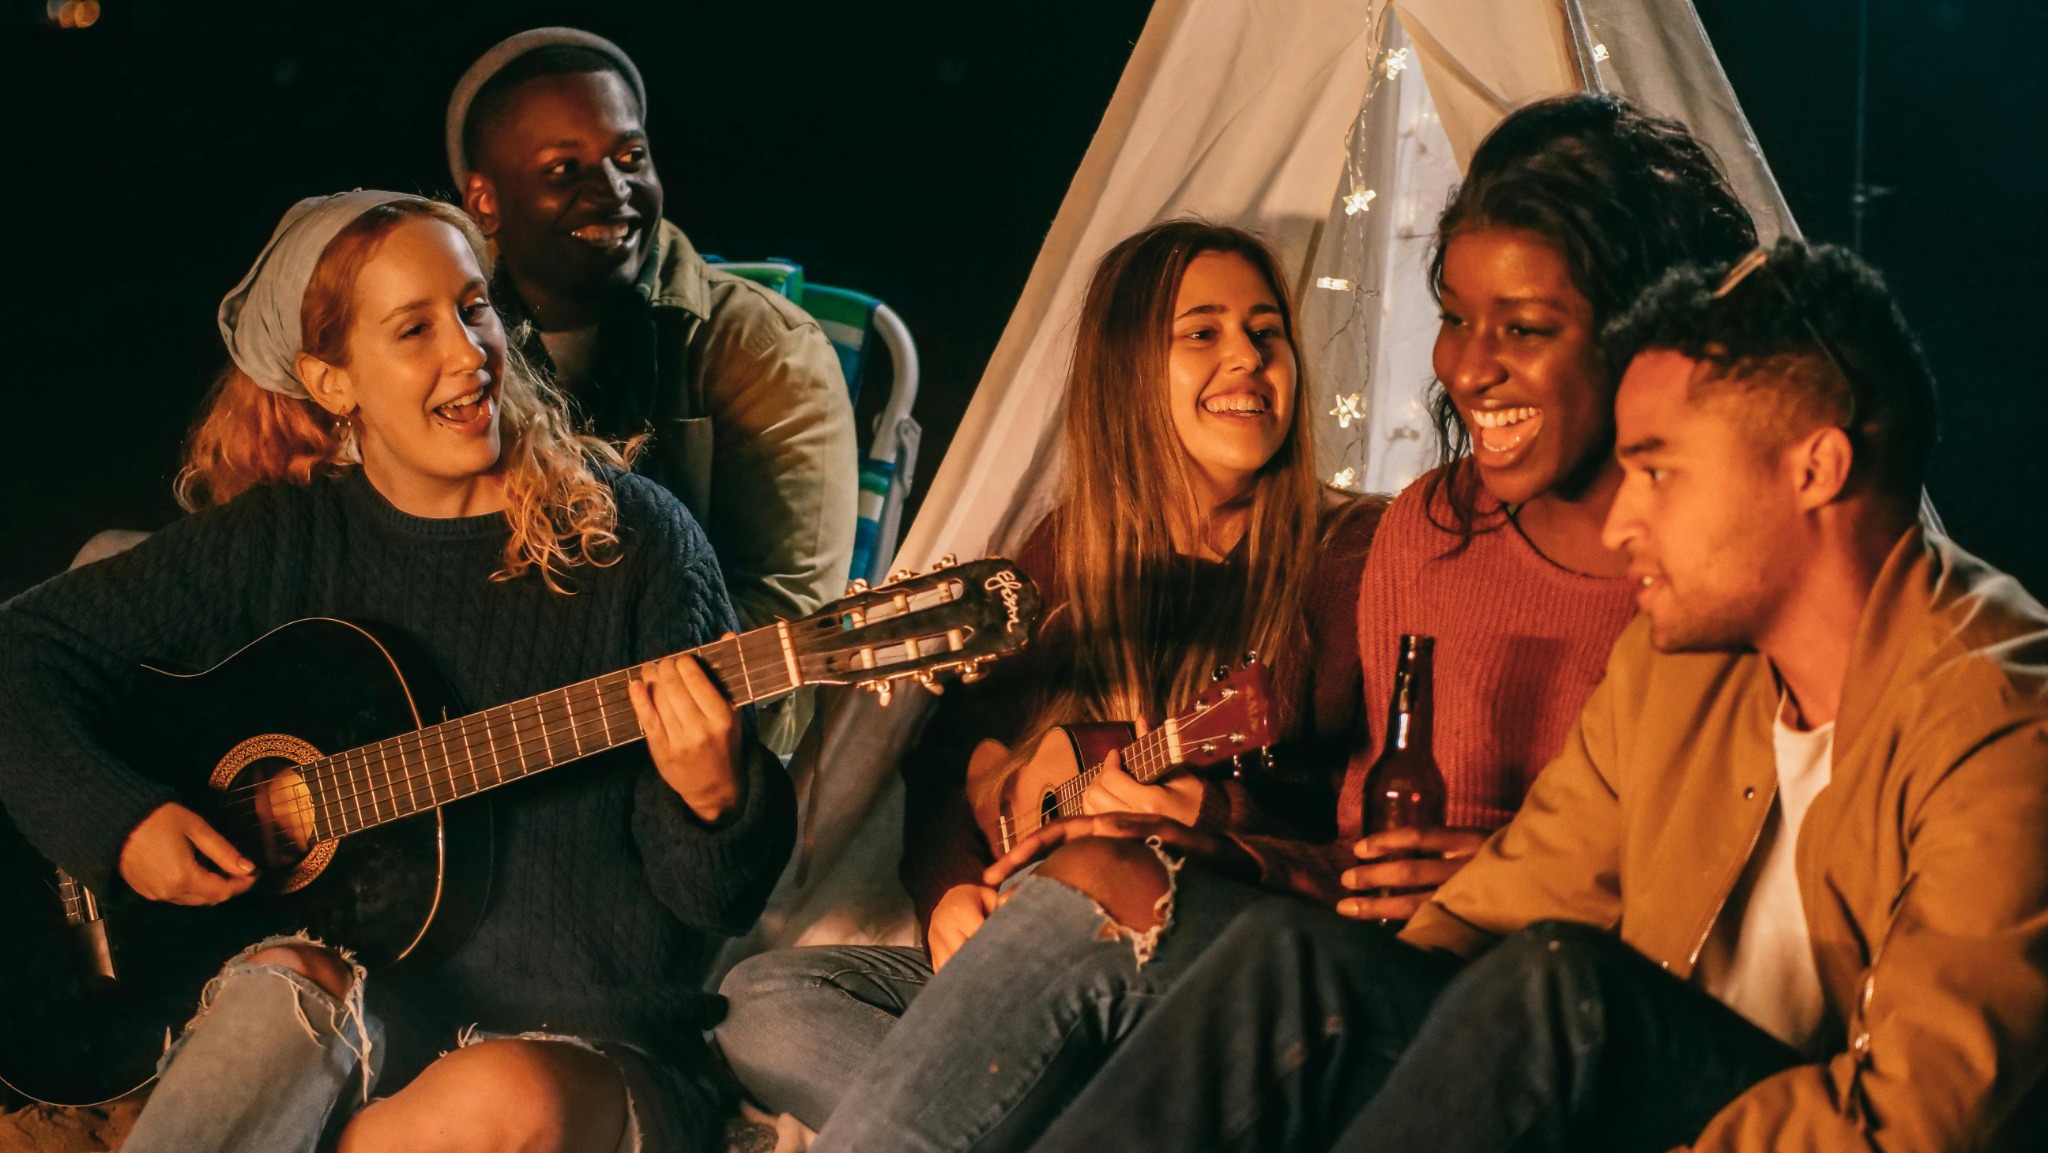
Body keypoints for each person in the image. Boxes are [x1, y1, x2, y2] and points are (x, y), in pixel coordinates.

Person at [799, 95, 1759, 1153]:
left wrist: (1232, 829)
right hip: (1362, 956)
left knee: (1107, 891)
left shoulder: (1672, 577)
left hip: (1495, 999)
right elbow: (1347, 854)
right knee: (773, 996)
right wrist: (990, 872)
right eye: (1451, 318)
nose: (1466, 367)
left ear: (1642, 337)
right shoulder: (1426, 532)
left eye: (1522, 328)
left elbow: (1680, 910)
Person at [969, 240, 2048, 1153]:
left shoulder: (2002, 724)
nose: (1621, 521)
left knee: (1564, 991)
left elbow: (1910, 1125)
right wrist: (1340, 1042)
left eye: (1659, 470)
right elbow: (1486, 909)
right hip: (1611, 1090)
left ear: (1813, 468)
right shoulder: (1680, 665)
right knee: (1293, 962)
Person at [0, 192, 796, 1153]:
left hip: (582, 1048)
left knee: (494, 1093)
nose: (469, 353)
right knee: (278, 981)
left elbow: (717, 903)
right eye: (414, 329)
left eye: (475, 307)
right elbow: (20, 650)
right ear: (331, 381)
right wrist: (119, 823)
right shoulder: (287, 539)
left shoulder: (634, 543)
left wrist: (716, 798)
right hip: (361, 1035)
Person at [714, 219, 1385, 1130]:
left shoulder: (1354, 557)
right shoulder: (1069, 549)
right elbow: (952, 760)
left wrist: (1219, 815)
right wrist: (953, 893)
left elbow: (1361, 841)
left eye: (1267, 331)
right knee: (763, 1004)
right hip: (1024, 960)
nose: (1248, 358)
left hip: (1196, 985)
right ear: (1126, 369)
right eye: (1203, 331)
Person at [447, 27, 859, 751]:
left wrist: (574, 721)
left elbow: (791, 621)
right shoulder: (450, 348)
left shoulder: (760, 349)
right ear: (484, 200)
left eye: (631, 157)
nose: (613, 192)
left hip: (671, 748)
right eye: (564, 169)